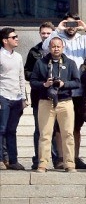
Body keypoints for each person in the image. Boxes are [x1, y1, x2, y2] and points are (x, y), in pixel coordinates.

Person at [42, 12, 86, 169]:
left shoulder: (84, 39)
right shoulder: (59, 38)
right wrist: (58, 29)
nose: (71, 28)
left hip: (79, 87)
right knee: (59, 126)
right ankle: (61, 158)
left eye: (74, 24)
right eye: (69, 24)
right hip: (61, 88)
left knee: (75, 125)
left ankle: (74, 157)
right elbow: (45, 47)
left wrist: (85, 27)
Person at [30, 37, 81, 172]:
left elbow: (77, 82)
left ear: (63, 47)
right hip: (46, 101)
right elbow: (33, 82)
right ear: (49, 48)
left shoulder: (70, 63)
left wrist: (65, 84)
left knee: (68, 134)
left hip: (65, 102)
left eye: (59, 46)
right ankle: (43, 163)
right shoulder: (41, 63)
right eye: (53, 46)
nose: (56, 49)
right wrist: (44, 84)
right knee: (45, 134)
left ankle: (69, 163)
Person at [24, 22, 58, 170]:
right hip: (39, 95)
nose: (45, 36)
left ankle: (57, 158)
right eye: (43, 33)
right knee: (40, 129)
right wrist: (41, 78)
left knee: (57, 128)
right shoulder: (34, 52)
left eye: (48, 33)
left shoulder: (60, 52)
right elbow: (27, 73)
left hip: (58, 96)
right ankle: (38, 158)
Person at [0, 28, 28, 170]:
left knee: (12, 130)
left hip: (16, 98)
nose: (17, 39)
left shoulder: (18, 56)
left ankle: (13, 160)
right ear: (5, 40)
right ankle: (0, 159)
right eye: (13, 37)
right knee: (1, 129)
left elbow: (21, 77)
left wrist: (23, 97)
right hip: (3, 96)